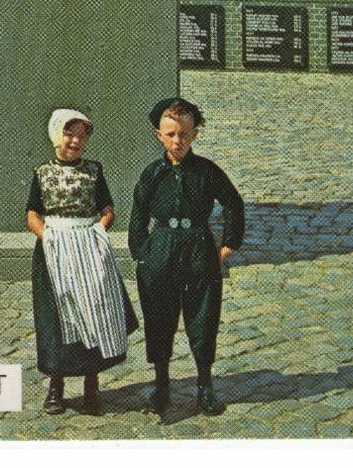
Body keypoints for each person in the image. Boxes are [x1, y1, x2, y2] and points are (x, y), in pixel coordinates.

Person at [129, 97, 244, 416]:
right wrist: (142, 252)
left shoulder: (207, 172)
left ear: (194, 134)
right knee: (159, 318)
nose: (177, 141)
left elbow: (234, 203)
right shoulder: (152, 174)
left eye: (183, 134)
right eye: (170, 135)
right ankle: (161, 385)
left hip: (198, 249)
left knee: (203, 319)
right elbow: (138, 213)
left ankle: (205, 387)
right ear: (159, 135)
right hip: (162, 249)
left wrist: (228, 244)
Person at [26, 108, 137, 415]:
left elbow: (107, 208)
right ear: (56, 136)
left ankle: (91, 386)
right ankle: (56, 387)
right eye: (69, 134)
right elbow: (32, 212)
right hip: (55, 250)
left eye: (81, 136)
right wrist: (47, 235)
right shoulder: (42, 173)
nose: (75, 141)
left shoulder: (94, 171)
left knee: (94, 311)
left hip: (88, 247)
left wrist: (99, 228)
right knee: (60, 317)